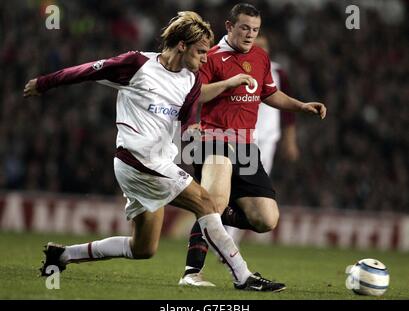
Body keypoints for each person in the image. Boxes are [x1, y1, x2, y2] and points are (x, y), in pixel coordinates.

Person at [24, 11, 285, 292]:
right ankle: (243, 277)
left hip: (154, 163)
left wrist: (192, 131)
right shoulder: (137, 64)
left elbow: (186, 123)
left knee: (143, 247)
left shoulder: (191, 81)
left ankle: (62, 255)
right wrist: (44, 83)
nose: (205, 58)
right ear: (182, 46)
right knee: (207, 204)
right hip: (137, 159)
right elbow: (86, 71)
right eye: (200, 51)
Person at [178, 4, 326, 287]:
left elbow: (269, 93)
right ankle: (192, 272)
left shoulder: (260, 57)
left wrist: (301, 106)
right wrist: (230, 82)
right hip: (214, 139)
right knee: (213, 204)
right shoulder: (210, 57)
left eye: (255, 29)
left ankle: (213, 208)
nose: (250, 34)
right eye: (244, 27)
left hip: (246, 147)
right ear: (229, 26)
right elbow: (195, 95)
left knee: (266, 220)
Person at [224, 33, 300, 243]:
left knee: (255, 188)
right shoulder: (234, 67)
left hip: (267, 138)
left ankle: (231, 238)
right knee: (232, 182)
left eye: (265, 46)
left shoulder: (277, 72)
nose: (262, 49)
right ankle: (222, 230)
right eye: (258, 46)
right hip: (240, 135)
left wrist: (290, 139)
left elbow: (287, 110)